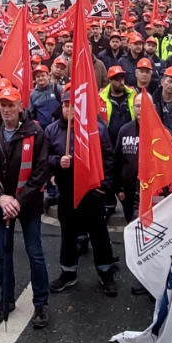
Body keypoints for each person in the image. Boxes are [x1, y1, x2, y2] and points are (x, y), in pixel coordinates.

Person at [0, 85, 53, 329]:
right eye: (3, 105)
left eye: (11, 105)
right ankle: (6, 299)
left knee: (35, 253)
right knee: (3, 254)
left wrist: (18, 201)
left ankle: (41, 304)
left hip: (27, 205)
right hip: (1, 204)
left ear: (21, 106)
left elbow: (40, 172)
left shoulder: (35, 132)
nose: (7, 109)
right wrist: (1, 198)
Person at [47, 95, 121, 297]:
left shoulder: (97, 129)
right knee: (68, 234)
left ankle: (106, 273)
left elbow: (108, 159)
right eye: (65, 105)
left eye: (73, 105)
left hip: (92, 192)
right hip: (67, 192)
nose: (69, 109)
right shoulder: (51, 130)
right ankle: (68, 273)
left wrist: (103, 187)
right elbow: (43, 159)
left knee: (99, 234)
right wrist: (56, 162)